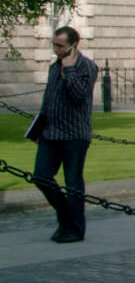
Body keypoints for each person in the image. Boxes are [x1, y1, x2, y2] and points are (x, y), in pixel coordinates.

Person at [32, 26, 98, 243]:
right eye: (54, 44)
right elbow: (48, 101)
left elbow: (79, 96)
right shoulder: (53, 67)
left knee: (73, 183)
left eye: (60, 45)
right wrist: (38, 128)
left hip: (74, 135)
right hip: (50, 134)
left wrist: (69, 70)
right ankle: (65, 216)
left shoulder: (87, 66)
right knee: (40, 176)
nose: (56, 49)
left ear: (73, 45)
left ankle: (75, 229)